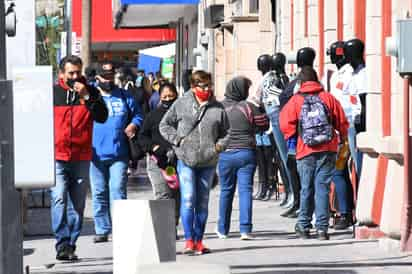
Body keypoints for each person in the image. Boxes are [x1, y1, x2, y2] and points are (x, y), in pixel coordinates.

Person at [159, 70, 229, 255]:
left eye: (208, 85)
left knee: (203, 202)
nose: (206, 89)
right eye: (202, 85)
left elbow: (227, 132)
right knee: (188, 198)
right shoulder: (181, 103)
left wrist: (219, 146)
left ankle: (199, 240)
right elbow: (164, 125)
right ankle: (189, 240)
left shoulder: (218, 108)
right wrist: (178, 140)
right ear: (193, 86)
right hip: (186, 159)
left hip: (208, 160)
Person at [280, 66, 349, 240]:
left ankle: (303, 226)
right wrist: (342, 139)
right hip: (328, 149)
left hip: (305, 149)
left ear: (301, 82)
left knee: (306, 188)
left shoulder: (296, 100)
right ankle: (322, 229)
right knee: (323, 188)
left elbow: (284, 123)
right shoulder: (328, 97)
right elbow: (341, 121)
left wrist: (292, 138)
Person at [52, 55, 108, 261]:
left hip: (81, 156)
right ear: (61, 74)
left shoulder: (90, 92)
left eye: (78, 72)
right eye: (71, 73)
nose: (75, 77)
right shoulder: (52, 93)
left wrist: (86, 96)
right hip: (57, 156)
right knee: (58, 198)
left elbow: (102, 116)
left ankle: (70, 245)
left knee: (77, 204)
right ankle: (61, 242)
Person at [90, 61, 143, 243]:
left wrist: (133, 124)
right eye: (104, 77)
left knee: (117, 189)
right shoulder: (91, 96)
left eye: (111, 76)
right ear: (97, 77)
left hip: (119, 153)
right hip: (95, 154)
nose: (108, 80)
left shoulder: (124, 95)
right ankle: (101, 229)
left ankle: (120, 227)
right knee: (99, 192)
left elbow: (138, 114)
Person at [216, 76, 269, 240]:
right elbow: (264, 124)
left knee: (226, 191)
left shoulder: (218, 108)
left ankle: (222, 229)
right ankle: (245, 229)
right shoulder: (249, 107)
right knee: (245, 191)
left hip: (225, 154)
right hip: (246, 153)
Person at [138, 82, 180, 232]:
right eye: (165, 97)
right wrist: (154, 147)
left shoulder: (182, 115)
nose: (168, 99)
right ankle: (166, 231)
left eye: (171, 96)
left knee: (176, 195)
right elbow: (142, 137)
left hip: (176, 163)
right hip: (158, 163)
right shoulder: (152, 116)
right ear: (160, 98)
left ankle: (172, 224)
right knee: (163, 195)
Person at [327, 41, 355, 229]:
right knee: (340, 171)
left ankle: (346, 213)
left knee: (338, 171)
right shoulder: (335, 74)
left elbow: (350, 104)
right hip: (336, 129)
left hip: (346, 129)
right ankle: (343, 210)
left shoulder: (349, 74)